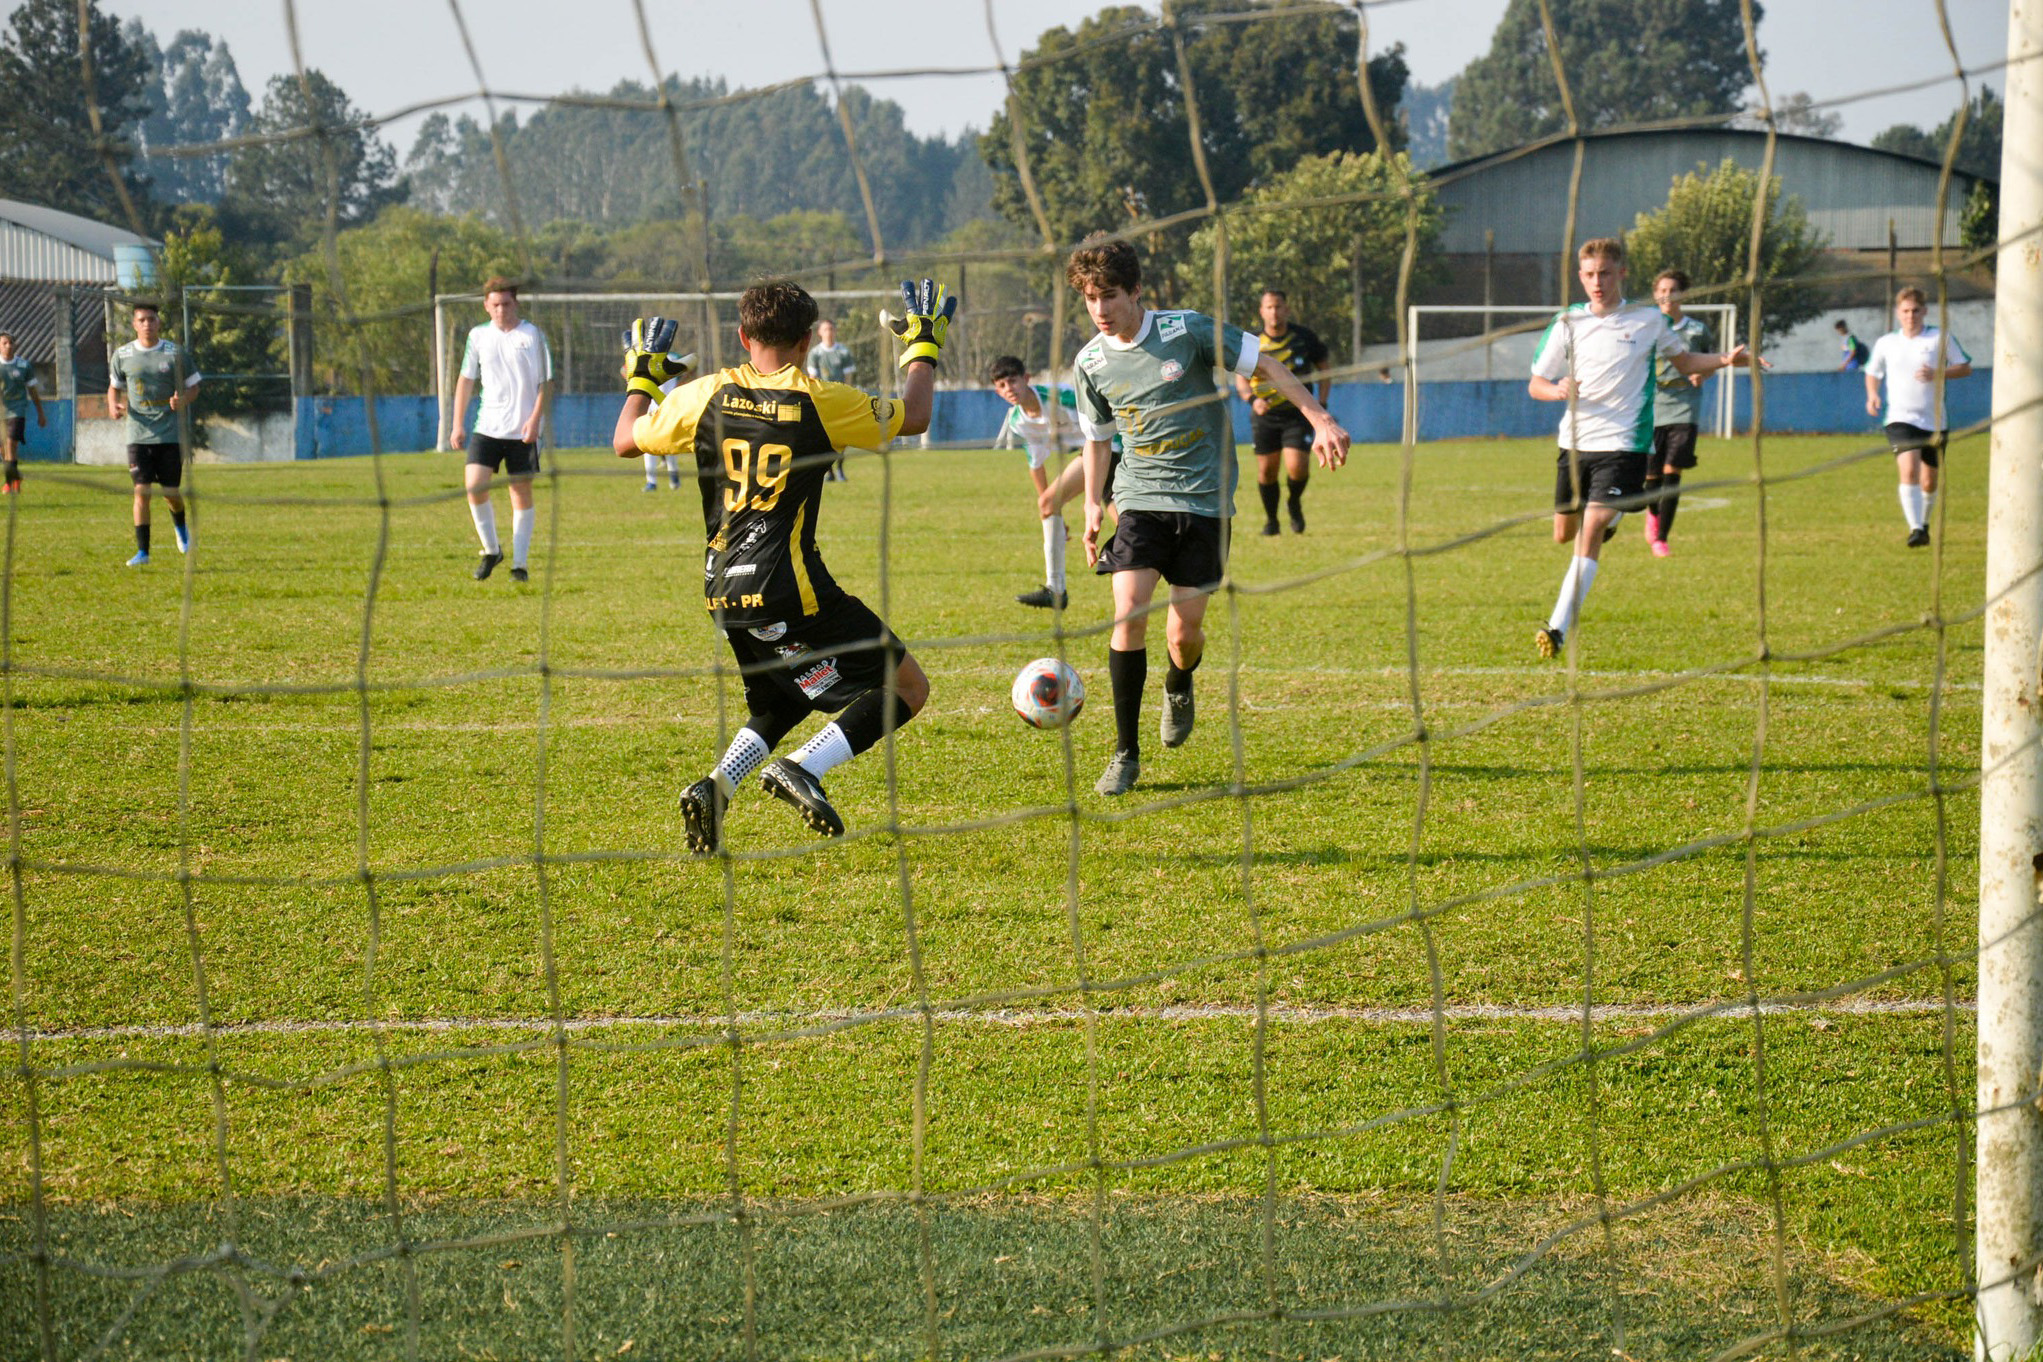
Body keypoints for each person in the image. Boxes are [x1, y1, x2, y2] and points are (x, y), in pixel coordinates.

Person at [613, 279, 953, 852]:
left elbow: (624, 440)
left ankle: (715, 788)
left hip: (721, 589)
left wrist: (643, 379)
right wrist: (922, 345)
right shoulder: (820, 398)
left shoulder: (703, 396)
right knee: (907, 685)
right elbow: (916, 415)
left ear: (743, 337)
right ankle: (804, 767)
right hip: (791, 587)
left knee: (780, 699)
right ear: (804, 341)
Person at [1067, 234, 1350, 797]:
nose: (1100, 309)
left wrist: (1318, 418)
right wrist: (1093, 502)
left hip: (1205, 501)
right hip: (1141, 499)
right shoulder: (1090, 362)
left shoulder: (1187, 330)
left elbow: (1264, 361)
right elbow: (1098, 440)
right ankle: (1125, 753)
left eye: (1110, 295)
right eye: (1090, 298)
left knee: (1185, 631)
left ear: (1137, 291)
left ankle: (1180, 681)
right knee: (1127, 615)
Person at [1529, 239, 1760, 658]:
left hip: (1625, 441)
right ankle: (1614, 516)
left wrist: (1727, 360)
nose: (1596, 282)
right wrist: (1558, 388)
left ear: (1621, 273)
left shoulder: (1648, 320)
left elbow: (1686, 361)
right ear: (1580, 276)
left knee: (1594, 522)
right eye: (1588, 274)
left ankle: (1558, 627)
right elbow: (1536, 384)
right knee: (1564, 533)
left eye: (1604, 273)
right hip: (1576, 441)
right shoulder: (1566, 323)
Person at [989, 354, 1120, 609]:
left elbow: (1102, 420)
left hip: (1111, 447)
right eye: (1002, 386)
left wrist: (1050, 504)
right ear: (996, 390)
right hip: (1095, 457)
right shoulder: (1018, 421)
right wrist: (1051, 509)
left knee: (1127, 523)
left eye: (1013, 381)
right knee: (1127, 523)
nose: (1009, 389)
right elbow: (1036, 464)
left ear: (1026, 379)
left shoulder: (1062, 397)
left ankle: (1056, 590)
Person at [449, 278, 551, 582]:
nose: (501, 310)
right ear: (486, 306)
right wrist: (457, 423)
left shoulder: (533, 336)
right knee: (474, 485)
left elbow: (547, 383)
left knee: (520, 493)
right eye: (495, 304)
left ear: (515, 304)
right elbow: (466, 380)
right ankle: (491, 550)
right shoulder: (478, 336)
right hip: (487, 426)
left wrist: (534, 420)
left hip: (523, 430)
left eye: (506, 304)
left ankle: (519, 565)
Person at [1865, 286, 1972, 548]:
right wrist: (1872, 395)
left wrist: (1939, 373)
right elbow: (1872, 371)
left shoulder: (1939, 338)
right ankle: (1914, 529)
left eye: (1915, 310)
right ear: (1897, 313)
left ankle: (1923, 524)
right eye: (1905, 311)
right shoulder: (1886, 343)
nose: (1910, 315)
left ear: (1924, 311)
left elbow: (1964, 367)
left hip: (1934, 421)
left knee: (1929, 480)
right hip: (1899, 419)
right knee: (1909, 469)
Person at [108, 301, 200, 567]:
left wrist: (182, 400)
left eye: (151, 319)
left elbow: (194, 386)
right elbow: (114, 387)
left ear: (159, 323)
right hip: (137, 434)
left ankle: (181, 529)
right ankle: (143, 552)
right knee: (142, 491)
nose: (147, 324)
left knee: (171, 492)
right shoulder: (122, 355)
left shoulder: (175, 354)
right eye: (142, 320)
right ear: (134, 325)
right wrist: (113, 405)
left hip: (169, 435)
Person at [1234, 288, 1331, 536]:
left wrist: (1320, 403)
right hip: (1265, 417)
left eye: (1278, 306)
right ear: (1261, 311)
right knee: (1267, 470)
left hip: (1298, 415)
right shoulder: (1252, 342)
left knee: (1297, 467)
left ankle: (1294, 503)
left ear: (1286, 309)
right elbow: (1240, 379)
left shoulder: (1304, 337)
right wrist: (1252, 400)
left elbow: (1324, 370)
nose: (1274, 312)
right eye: (1269, 307)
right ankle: (1271, 520)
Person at [1643, 268, 1712, 557]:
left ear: (1682, 294)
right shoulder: (1646, 328)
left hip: (1685, 408)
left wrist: (1702, 374)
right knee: (1650, 478)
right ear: (1655, 294)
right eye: (1662, 290)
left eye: (1673, 290)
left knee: (1673, 472)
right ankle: (1652, 512)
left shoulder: (1697, 331)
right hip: (1652, 408)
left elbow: (1707, 360)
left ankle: (1661, 538)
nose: (1667, 296)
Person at [806, 318, 856, 480]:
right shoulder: (815, 353)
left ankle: (840, 469)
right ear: (820, 332)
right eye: (826, 329)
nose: (829, 332)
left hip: (840, 400)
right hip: (823, 401)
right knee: (822, 437)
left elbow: (848, 378)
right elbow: (812, 379)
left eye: (832, 329)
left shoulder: (843, 352)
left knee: (842, 437)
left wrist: (847, 396)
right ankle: (828, 471)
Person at [0, 331, 46, 493]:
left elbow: (32, 390)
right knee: (4, 449)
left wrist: (40, 412)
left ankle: (9, 483)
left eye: (10, 343)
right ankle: (16, 477)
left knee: (10, 444)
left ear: (15, 345)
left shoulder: (23, 366)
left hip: (17, 411)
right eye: (4, 343)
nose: (8, 346)